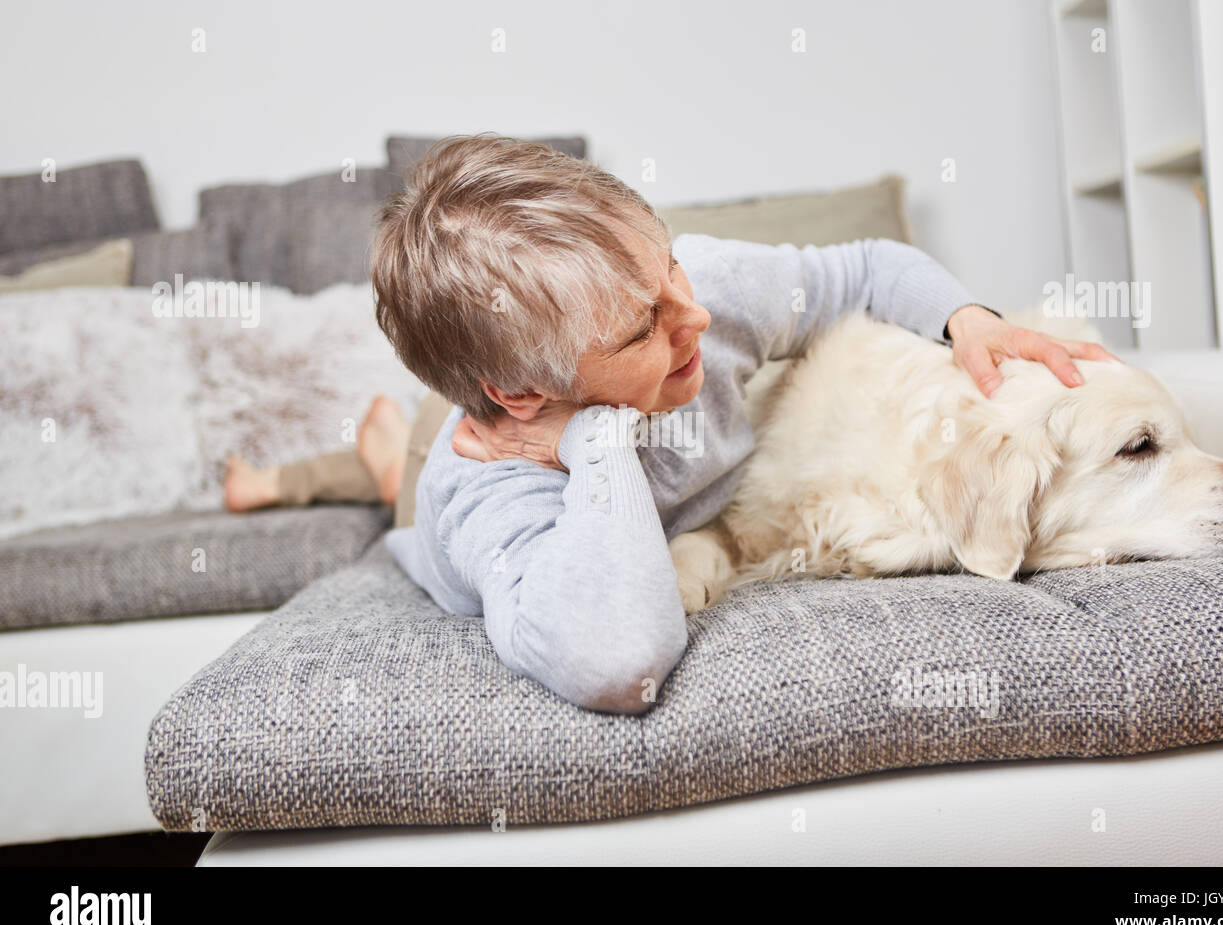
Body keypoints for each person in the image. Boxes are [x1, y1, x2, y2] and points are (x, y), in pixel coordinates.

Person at [225, 133, 1116, 715]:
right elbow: (616, 658)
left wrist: (967, 318)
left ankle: (383, 439)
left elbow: (862, 270)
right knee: (403, 483)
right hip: (440, 473)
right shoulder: (488, 490)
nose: (694, 320)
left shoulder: (699, 292)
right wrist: (593, 441)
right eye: (641, 327)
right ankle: (380, 453)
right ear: (526, 397)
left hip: (523, 399)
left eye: (670, 270)